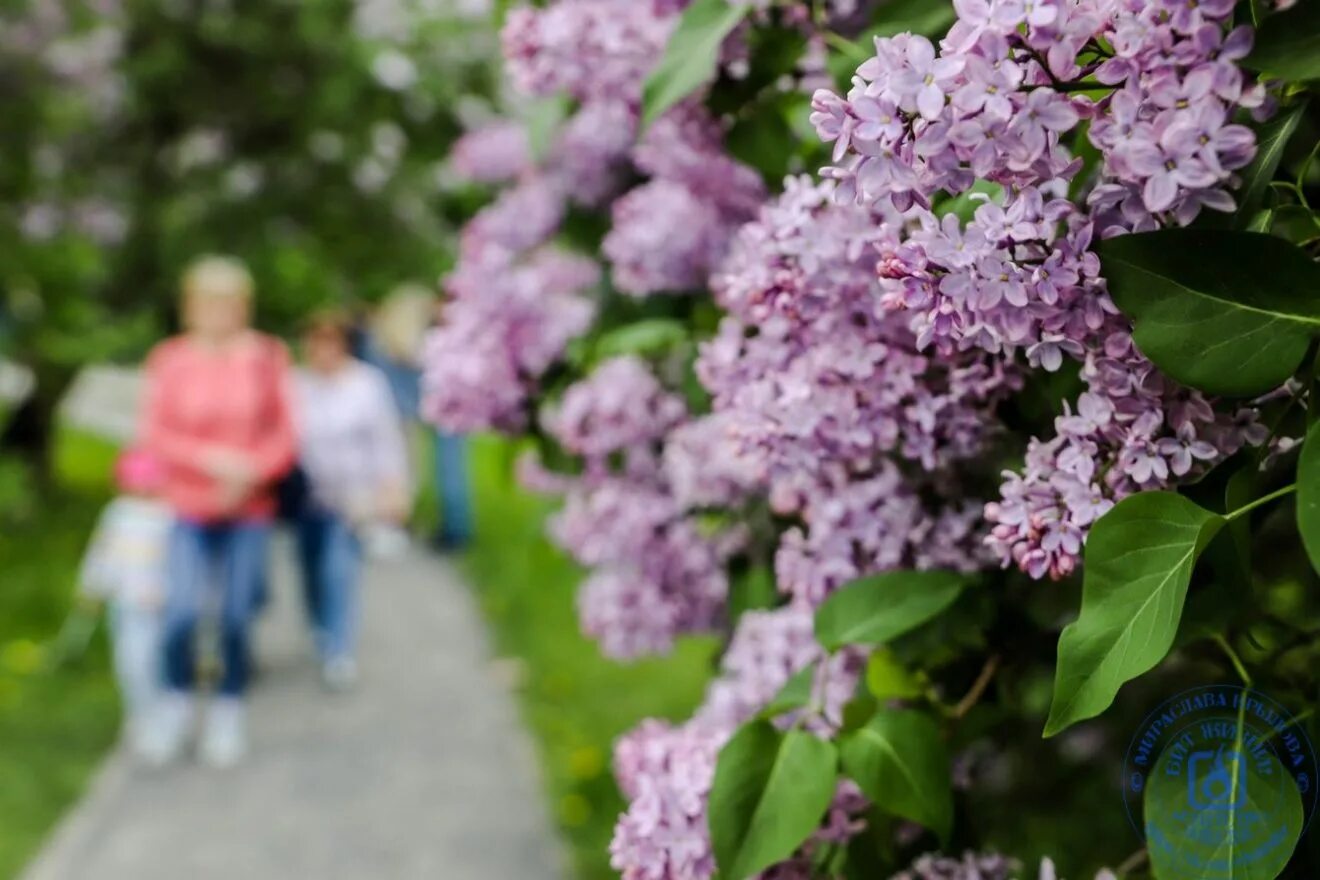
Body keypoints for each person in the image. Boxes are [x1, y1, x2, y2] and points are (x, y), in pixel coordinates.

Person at [139, 255, 297, 767]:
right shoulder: (171, 360)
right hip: (189, 505)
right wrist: (209, 461)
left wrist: (251, 470)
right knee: (181, 613)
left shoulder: (266, 357)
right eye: (209, 302)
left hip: (248, 506)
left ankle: (229, 709)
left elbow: (286, 433)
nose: (219, 314)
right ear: (191, 307)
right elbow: (156, 434)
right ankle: (177, 701)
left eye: (229, 303)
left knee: (234, 615)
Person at [295, 310, 410, 690]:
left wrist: (392, 488)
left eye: (332, 342)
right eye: (317, 342)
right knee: (310, 568)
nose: (324, 351)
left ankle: (339, 650)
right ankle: (319, 626)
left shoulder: (366, 383)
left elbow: (386, 439)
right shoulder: (294, 385)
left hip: (351, 498)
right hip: (306, 496)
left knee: (338, 570)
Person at [360, 286, 473, 549]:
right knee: (449, 468)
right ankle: (455, 529)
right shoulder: (432, 343)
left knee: (406, 470)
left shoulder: (384, 343)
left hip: (404, 413)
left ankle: (409, 522)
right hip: (443, 408)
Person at [78, 449, 173, 757]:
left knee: (154, 662)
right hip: (124, 604)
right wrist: (93, 586)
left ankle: (161, 721)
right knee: (129, 663)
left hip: (159, 607)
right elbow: (103, 552)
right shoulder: (117, 513)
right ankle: (139, 714)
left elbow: (180, 564)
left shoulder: (169, 516)